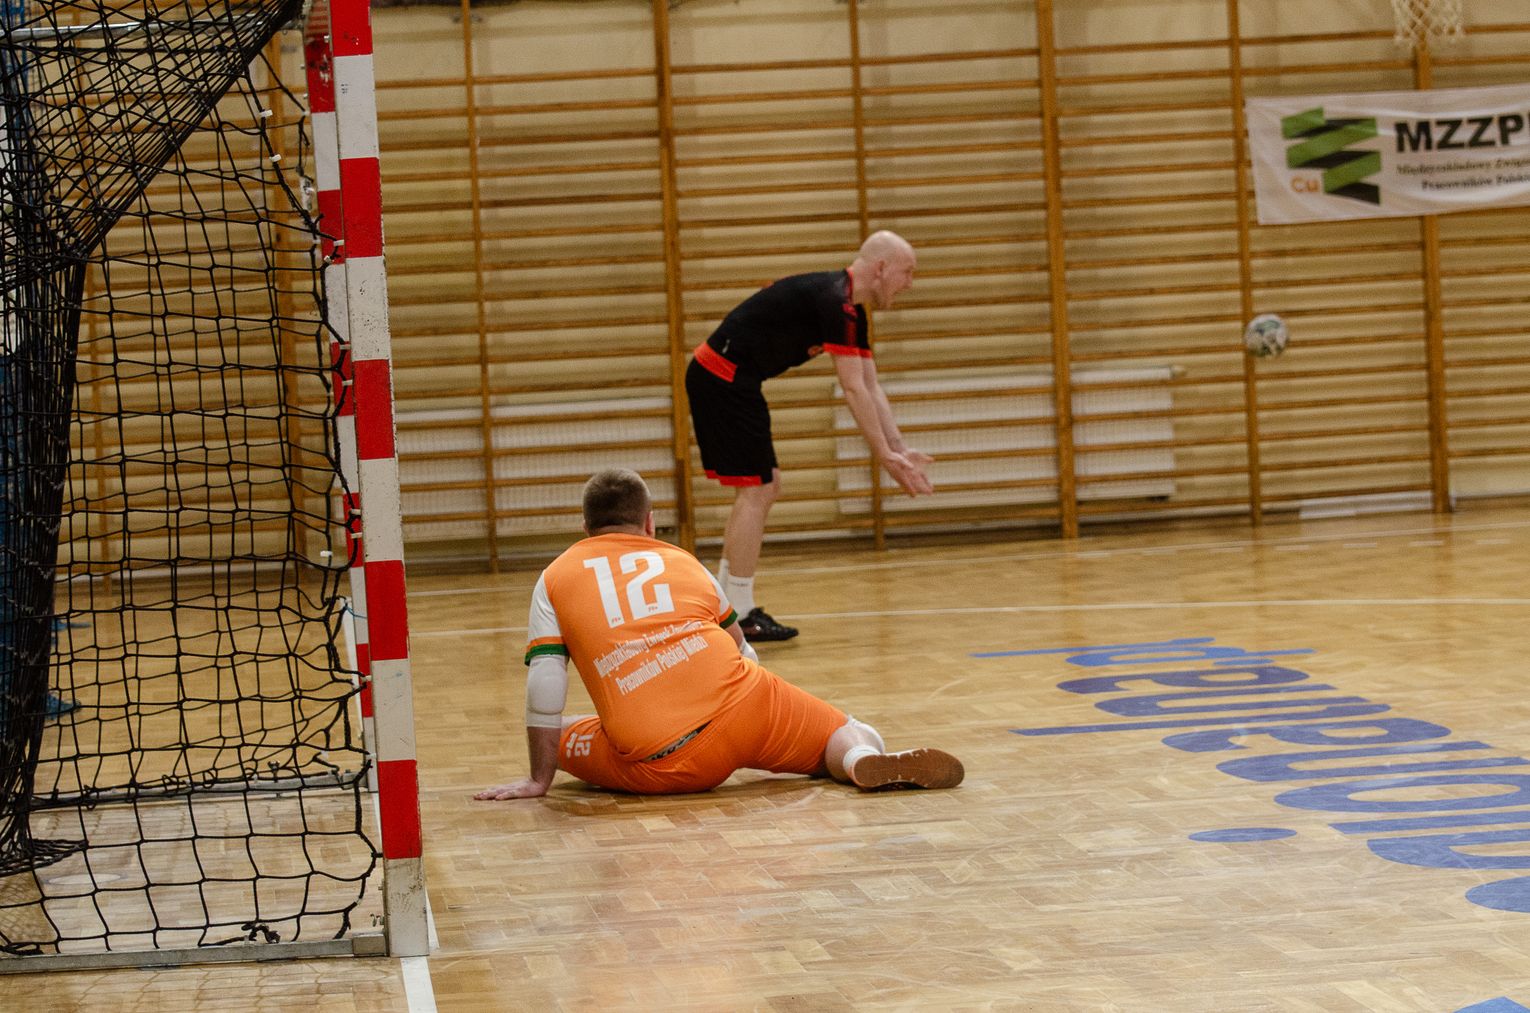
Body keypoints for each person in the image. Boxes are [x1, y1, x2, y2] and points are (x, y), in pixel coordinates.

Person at [474, 468, 963, 800]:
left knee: (562, 734)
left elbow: (546, 683)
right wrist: (757, 728)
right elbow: (742, 650)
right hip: (746, 702)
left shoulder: (555, 576)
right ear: (650, 523)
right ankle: (860, 759)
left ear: (585, 527)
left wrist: (539, 779)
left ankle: (573, 760)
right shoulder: (683, 560)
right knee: (846, 730)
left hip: (665, 758)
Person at [685, 230, 933, 643]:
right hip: (721, 377)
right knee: (759, 489)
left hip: (732, 380)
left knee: (763, 488)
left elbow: (870, 385)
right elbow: (852, 388)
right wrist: (883, 455)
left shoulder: (850, 309)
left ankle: (730, 607)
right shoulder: (834, 302)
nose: (910, 283)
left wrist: (899, 449)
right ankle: (739, 613)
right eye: (907, 272)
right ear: (881, 268)